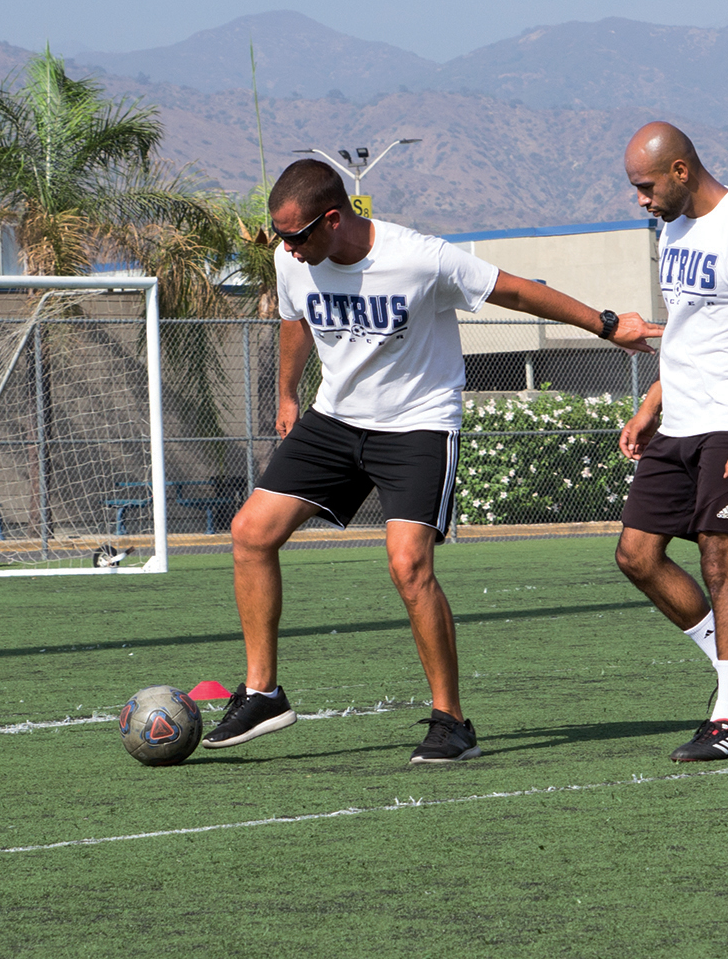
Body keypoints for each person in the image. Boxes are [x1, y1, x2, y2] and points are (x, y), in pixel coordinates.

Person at [201, 158, 662, 764]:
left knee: (407, 565)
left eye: (296, 235)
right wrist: (288, 393)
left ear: (333, 219)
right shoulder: (295, 261)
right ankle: (263, 691)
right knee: (249, 533)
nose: (285, 248)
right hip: (334, 419)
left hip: (416, 425)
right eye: (280, 236)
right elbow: (295, 321)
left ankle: (451, 721)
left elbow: (520, 291)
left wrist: (605, 324)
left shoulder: (421, 258)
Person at [615, 121, 728, 762]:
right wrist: (649, 407)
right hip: (680, 423)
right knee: (636, 555)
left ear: (681, 171)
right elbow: (691, 330)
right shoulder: (675, 228)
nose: (641, 198)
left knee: (722, 565)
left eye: (645, 186)